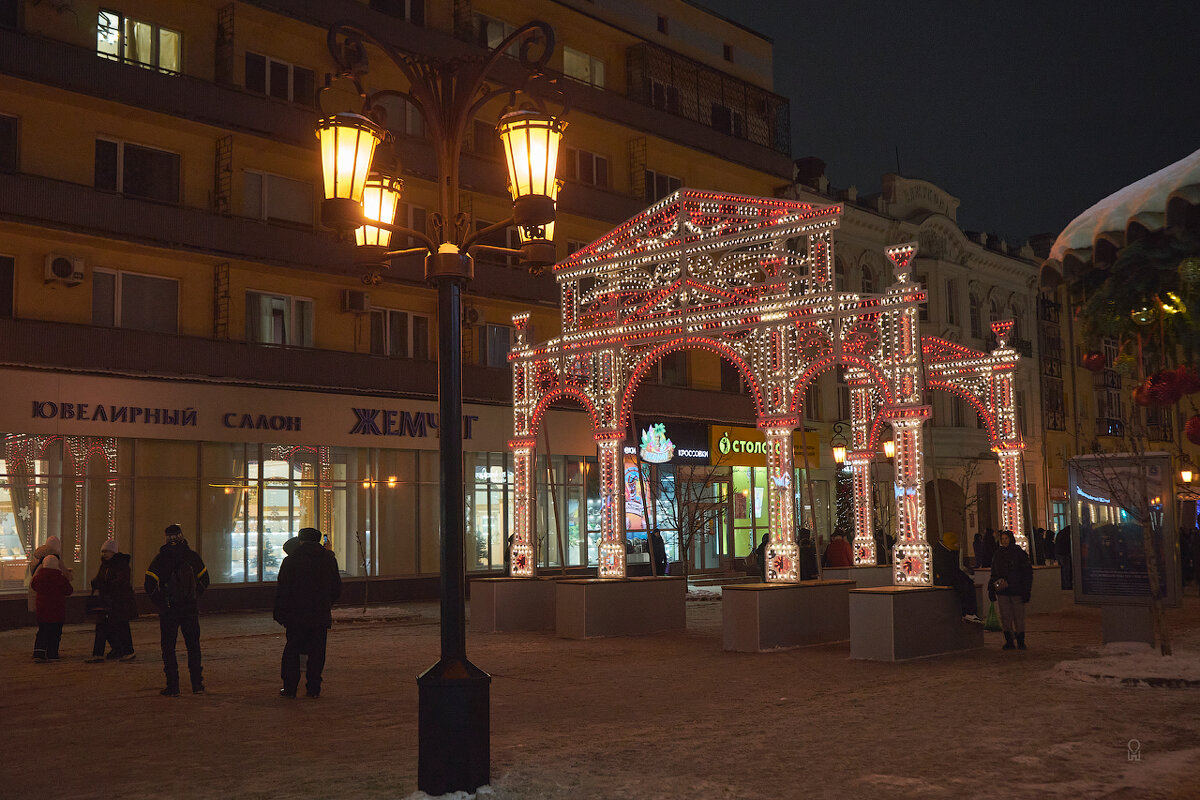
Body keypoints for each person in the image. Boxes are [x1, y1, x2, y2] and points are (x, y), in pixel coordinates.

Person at [274, 527, 342, 699]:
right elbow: (336, 588)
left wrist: (281, 612)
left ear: (300, 540)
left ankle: (290, 688)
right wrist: (325, 603)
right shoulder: (329, 560)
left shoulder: (291, 560)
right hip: (319, 615)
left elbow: (283, 589)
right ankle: (313, 688)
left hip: (296, 616)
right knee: (317, 652)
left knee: (292, 651)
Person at [145, 523, 209, 696]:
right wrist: (194, 596)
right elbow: (205, 579)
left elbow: (149, 584)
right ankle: (197, 684)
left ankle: (173, 686)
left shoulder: (160, 559)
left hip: (169, 610)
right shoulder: (192, 557)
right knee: (193, 646)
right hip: (189, 609)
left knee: (169, 648)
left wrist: (161, 602)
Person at [86, 538, 138, 663]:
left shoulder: (121, 564)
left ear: (114, 552)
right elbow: (101, 579)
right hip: (107, 601)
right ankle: (102, 652)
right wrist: (96, 583)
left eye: (107, 551)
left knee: (120, 626)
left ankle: (126, 651)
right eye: (103, 551)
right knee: (103, 626)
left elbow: (121, 582)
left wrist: (105, 585)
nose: (104, 554)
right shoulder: (105, 565)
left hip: (120, 601)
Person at [988, 529, 1032, 650]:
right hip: (1003, 590)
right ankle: (1009, 640)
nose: (1004, 541)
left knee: (1018, 617)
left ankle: (1020, 641)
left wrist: (1026, 589)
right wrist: (991, 587)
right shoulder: (998, 554)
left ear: (1011, 539)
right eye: (1002, 539)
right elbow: (994, 573)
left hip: (1017, 590)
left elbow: (1027, 573)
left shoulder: (1019, 553)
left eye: (1006, 538)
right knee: (1005, 617)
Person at [932, 531, 982, 623]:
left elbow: (953, 568)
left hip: (950, 575)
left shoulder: (948, 551)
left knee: (968, 583)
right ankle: (968, 612)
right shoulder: (941, 554)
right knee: (964, 585)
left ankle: (971, 612)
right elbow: (946, 570)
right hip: (943, 577)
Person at [31, 554, 74, 662]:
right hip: (57, 611)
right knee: (55, 633)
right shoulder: (60, 578)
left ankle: (39, 652)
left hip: (43, 610)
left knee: (42, 631)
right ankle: (52, 653)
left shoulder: (39, 577)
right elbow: (68, 590)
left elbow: (34, 585)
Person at [1054, 525, 1073, 589]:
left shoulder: (1061, 533)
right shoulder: (1066, 535)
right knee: (1066, 569)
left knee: (1063, 569)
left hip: (1059, 553)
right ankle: (1067, 584)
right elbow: (1067, 545)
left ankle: (1064, 584)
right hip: (1064, 554)